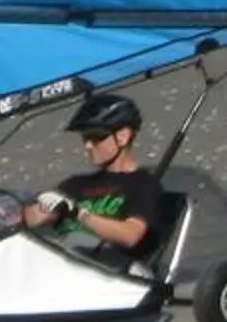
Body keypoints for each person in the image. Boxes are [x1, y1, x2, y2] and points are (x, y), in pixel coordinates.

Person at [22, 94, 166, 259]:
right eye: (85, 138)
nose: (88, 145)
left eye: (96, 137)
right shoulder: (75, 185)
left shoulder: (144, 185)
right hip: (61, 261)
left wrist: (79, 214)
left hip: (110, 272)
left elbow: (130, 236)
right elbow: (29, 220)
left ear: (123, 137)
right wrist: (38, 210)